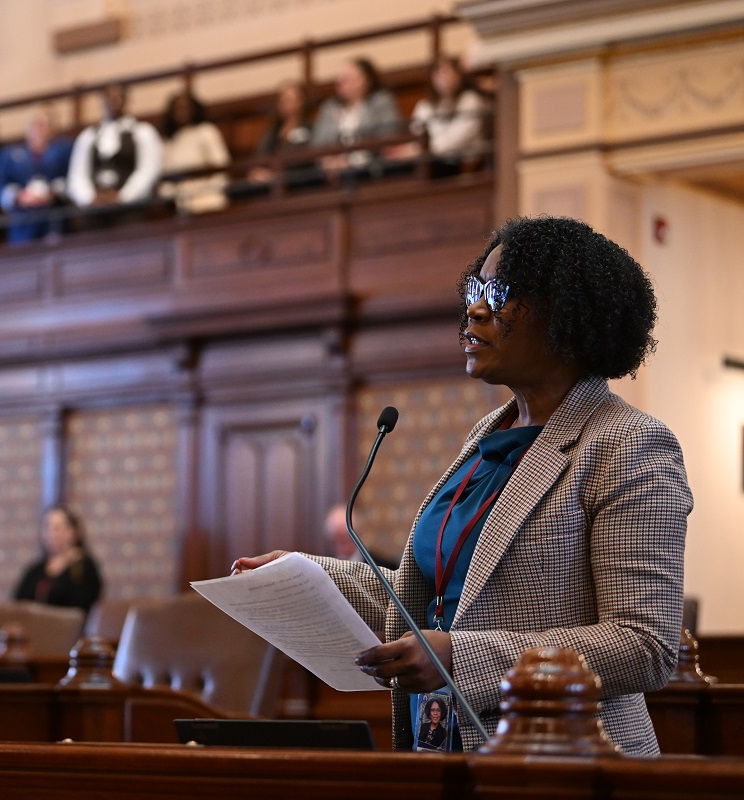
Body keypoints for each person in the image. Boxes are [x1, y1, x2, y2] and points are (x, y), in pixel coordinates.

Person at [232, 216, 692, 755]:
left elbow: (644, 644)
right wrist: (307, 575)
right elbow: (436, 603)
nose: (475, 309)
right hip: (446, 750)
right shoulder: (487, 437)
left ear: (571, 315)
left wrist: (460, 657)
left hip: (565, 761)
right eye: (475, 289)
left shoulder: (629, 445)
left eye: (501, 294)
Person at [66, 82, 163, 218]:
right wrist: (90, 198)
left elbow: (148, 170)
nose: (113, 101)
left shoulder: (142, 132)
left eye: (117, 96)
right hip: (95, 213)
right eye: (109, 97)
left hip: (132, 211)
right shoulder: (88, 136)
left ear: (126, 99)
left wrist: (123, 197)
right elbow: (77, 175)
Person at [0, 105, 73, 244]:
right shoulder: (8, 154)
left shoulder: (64, 149)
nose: (39, 128)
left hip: (55, 221)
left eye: (44, 124)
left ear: (52, 128)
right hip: (22, 226)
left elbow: (73, 176)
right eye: (35, 124)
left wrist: (54, 192)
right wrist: (19, 196)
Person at [393, 57, 489, 176]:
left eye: (446, 71)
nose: (442, 77)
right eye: (437, 72)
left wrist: (425, 150)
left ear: (458, 75)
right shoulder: (425, 106)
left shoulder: (470, 100)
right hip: (431, 160)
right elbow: (417, 136)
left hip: (461, 161)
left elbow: (459, 138)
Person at [310, 57, 404, 175]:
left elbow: (390, 132)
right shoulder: (330, 108)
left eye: (348, 79)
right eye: (340, 80)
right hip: (335, 169)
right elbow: (319, 142)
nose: (342, 84)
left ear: (366, 80)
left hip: (373, 164)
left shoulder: (381, 101)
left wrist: (352, 157)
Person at [13, 505, 102, 614]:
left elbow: (83, 606)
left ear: (72, 532)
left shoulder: (83, 567)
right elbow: (18, 604)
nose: (51, 533)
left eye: (57, 528)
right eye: (47, 527)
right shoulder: (35, 570)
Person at [157, 89, 231, 215]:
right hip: (181, 203)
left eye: (185, 108)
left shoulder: (206, 131)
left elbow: (221, 167)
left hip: (209, 197)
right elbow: (165, 179)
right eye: (178, 108)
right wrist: (173, 197)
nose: (181, 112)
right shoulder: (168, 142)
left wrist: (208, 191)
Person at [248, 79, 314, 185]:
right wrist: (257, 172)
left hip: (299, 183)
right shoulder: (273, 132)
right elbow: (260, 158)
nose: (284, 102)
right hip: (269, 184)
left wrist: (276, 175)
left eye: (289, 98)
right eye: (281, 99)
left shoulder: (310, 128)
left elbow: (305, 160)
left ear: (302, 101)